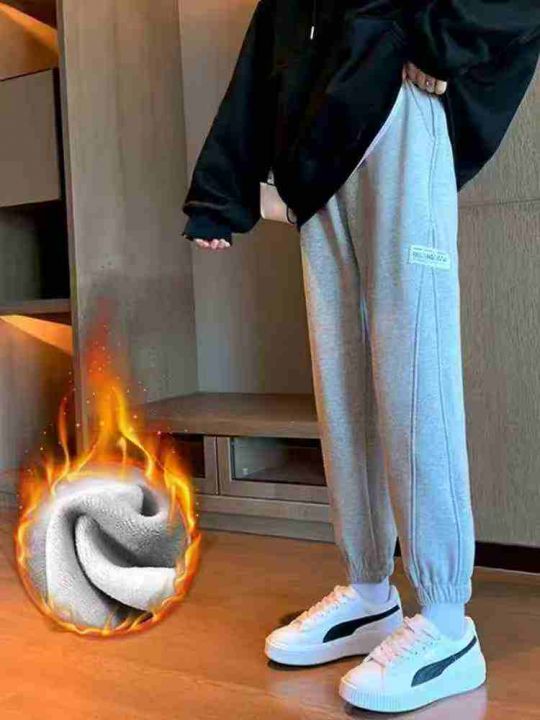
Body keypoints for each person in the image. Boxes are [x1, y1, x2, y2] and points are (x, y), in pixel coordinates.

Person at [181, 1, 540, 713]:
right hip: (317, 148)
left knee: (415, 371)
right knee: (341, 378)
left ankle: (446, 619)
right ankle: (370, 588)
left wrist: (434, 40)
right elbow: (269, 47)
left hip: (399, 112)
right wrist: (220, 190)